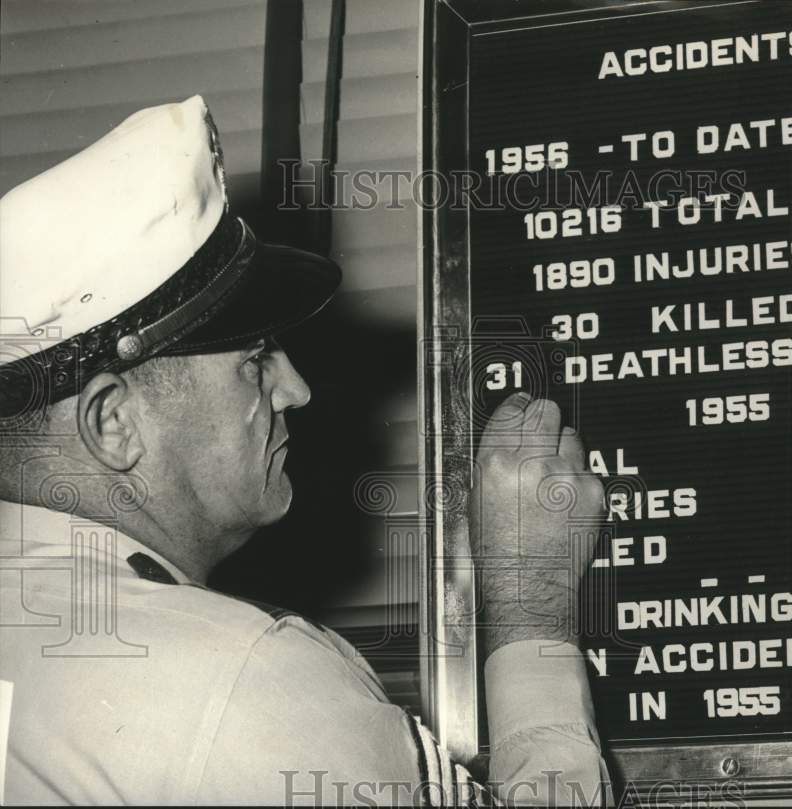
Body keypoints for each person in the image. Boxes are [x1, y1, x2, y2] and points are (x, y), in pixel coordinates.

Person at [0, 96, 610, 805]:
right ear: (114, 422)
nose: (296, 389)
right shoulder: (239, 683)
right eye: (256, 360)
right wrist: (532, 609)